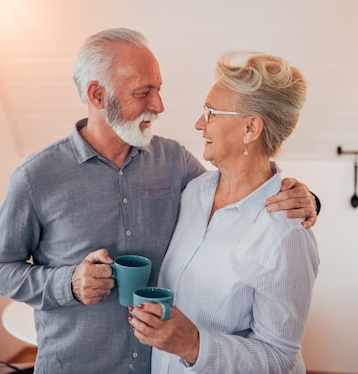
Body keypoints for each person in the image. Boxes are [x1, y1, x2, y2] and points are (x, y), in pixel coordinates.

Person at [0, 28, 319, 374]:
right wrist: (67, 283)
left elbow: (244, 193)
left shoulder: (176, 164)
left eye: (158, 89)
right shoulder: (37, 177)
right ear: (98, 95)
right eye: (144, 93)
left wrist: (305, 200)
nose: (159, 105)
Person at [129, 51, 319, 373]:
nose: (199, 123)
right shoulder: (194, 192)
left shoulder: (286, 235)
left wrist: (194, 345)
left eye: (211, 112)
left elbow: (279, 360)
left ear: (251, 128)